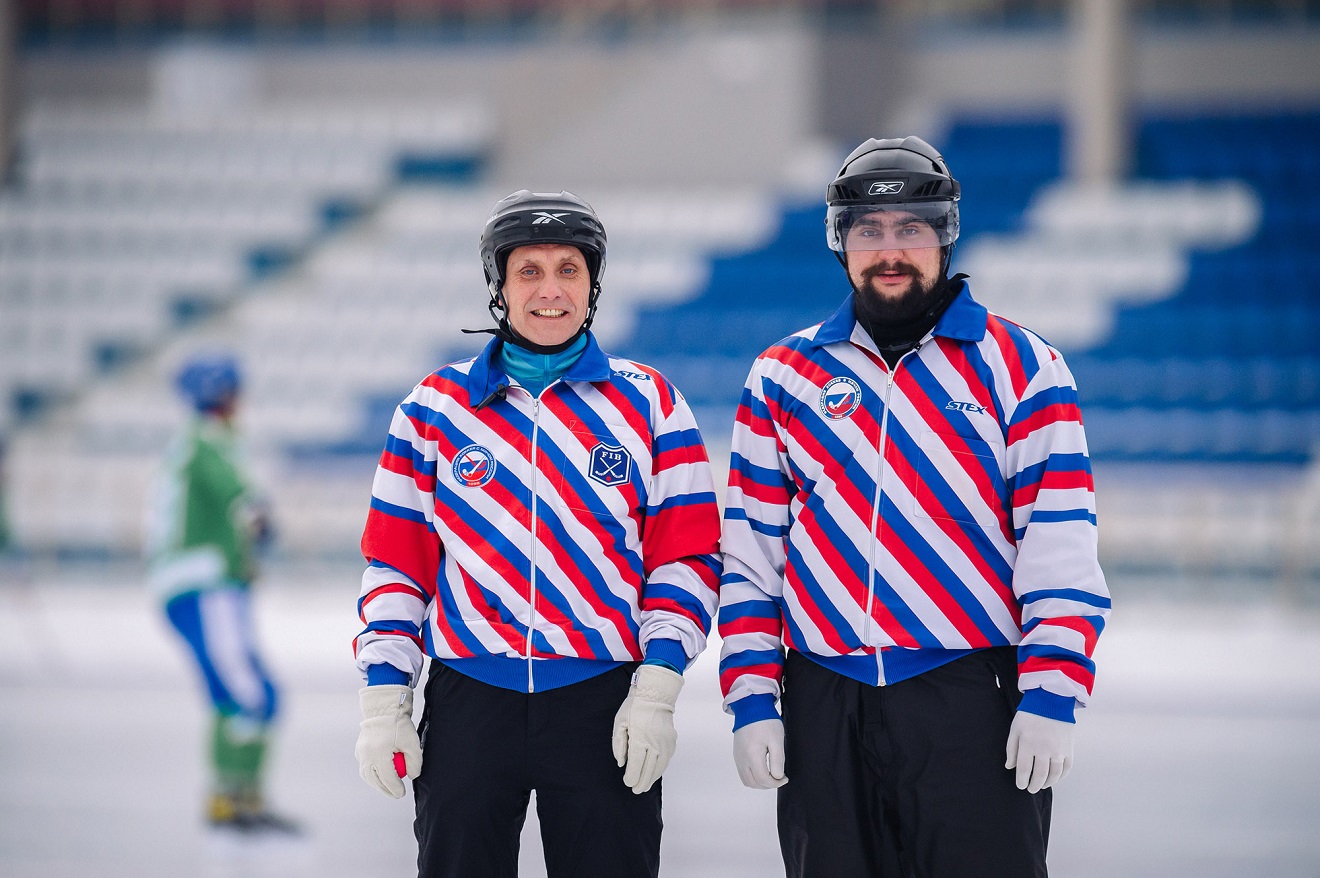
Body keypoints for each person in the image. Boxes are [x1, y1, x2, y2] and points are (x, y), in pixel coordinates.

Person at [717, 135, 1111, 877]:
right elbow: (750, 558)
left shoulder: (1023, 365)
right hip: (824, 700)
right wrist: (751, 697)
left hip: (970, 695)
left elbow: (1059, 545)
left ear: (945, 235)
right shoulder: (781, 376)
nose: (889, 250)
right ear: (842, 243)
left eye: (911, 229)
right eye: (868, 231)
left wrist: (1053, 692)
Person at [353, 190, 722, 878]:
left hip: (603, 705)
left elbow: (687, 558)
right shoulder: (433, 408)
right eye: (528, 271)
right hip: (469, 702)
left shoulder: (651, 403)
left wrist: (658, 686)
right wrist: (384, 697)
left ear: (593, 285)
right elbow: (396, 567)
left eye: (568, 270)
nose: (549, 291)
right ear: (499, 286)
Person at [144, 354, 297, 835]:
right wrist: (261, 522)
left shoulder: (194, 442)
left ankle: (234, 798)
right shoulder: (206, 441)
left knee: (235, 694)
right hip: (206, 584)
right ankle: (235, 799)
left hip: (200, 584)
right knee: (249, 693)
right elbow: (241, 499)